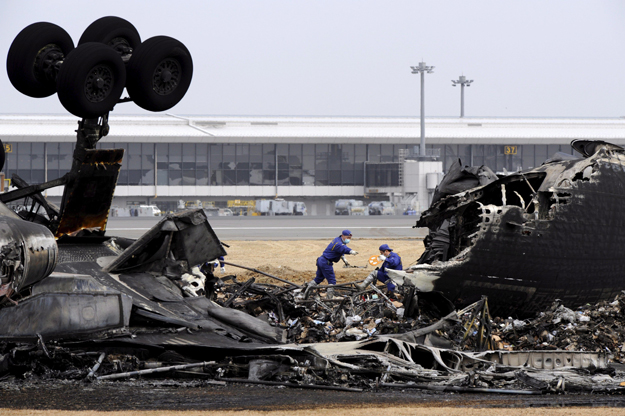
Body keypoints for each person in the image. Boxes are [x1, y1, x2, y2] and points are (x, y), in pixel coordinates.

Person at [308, 230, 358, 296]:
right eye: (347, 237)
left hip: (321, 260)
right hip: (326, 262)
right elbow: (343, 248)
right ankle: (329, 299)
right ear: (342, 236)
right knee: (332, 281)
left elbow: (339, 250)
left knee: (318, 278)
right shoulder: (338, 243)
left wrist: (344, 259)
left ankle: (306, 291)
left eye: (349, 238)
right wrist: (351, 251)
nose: (348, 239)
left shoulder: (337, 239)